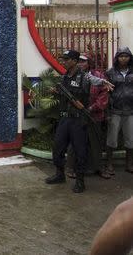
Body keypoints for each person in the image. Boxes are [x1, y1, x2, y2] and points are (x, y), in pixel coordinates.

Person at [45, 50, 113, 193]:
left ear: (75, 61)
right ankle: (59, 174)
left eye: (67, 59)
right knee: (58, 148)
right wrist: (55, 91)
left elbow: (95, 80)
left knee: (80, 151)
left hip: (78, 120)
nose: (63, 61)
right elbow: (63, 93)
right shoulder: (64, 77)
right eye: (63, 59)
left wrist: (104, 82)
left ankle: (80, 181)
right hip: (65, 118)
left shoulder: (84, 77)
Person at [66, 53, 110, 179]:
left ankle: (99, 168)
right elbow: (69, 94)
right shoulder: (72, 75)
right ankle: (69, 167)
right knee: (74, 142)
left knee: (96, 142)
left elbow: (104, 95)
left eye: (83, 61)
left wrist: (92, 108)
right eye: (78, 61)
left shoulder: (99, 76)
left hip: (94, 115)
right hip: (77, 115)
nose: (81, 64)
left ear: (89, 63)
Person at [105, 47, 133, 174]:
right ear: (117, 58)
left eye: (126, 56)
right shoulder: (110, 72)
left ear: (130, 57)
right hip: (115, 111)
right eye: (121, 56)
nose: (124, 58)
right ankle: (109, 164)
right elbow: (106, 93)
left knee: (130, 140)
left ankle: (129, 164)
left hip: (130, 111)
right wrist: (108, 111)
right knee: (112, 139)